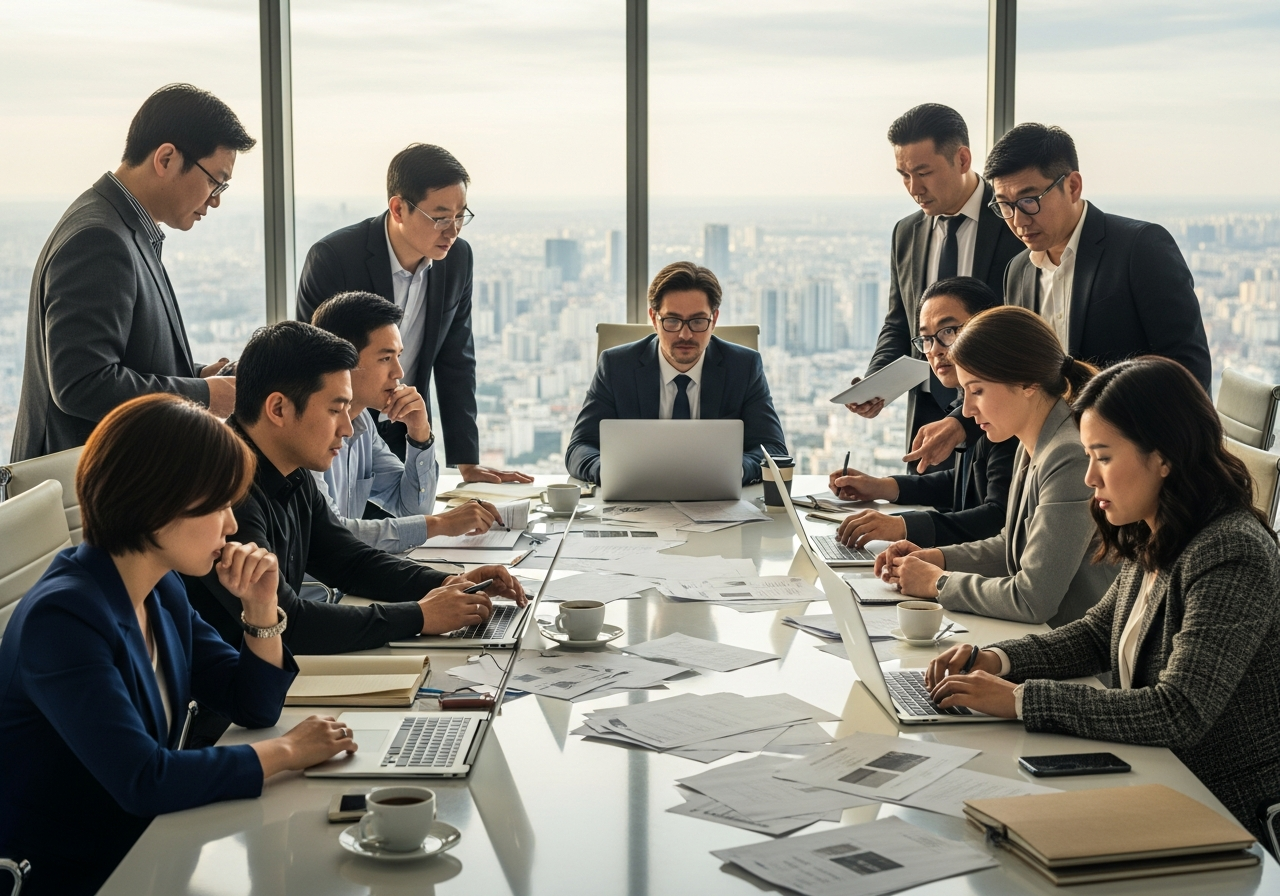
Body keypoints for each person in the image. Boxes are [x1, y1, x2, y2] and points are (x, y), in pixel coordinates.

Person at [0, 394, 358, 895]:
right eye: (218, 507)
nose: (232, 526)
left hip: (149, 849)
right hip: (79, 874)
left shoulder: (160, 586)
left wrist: (259, 608)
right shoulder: (63, 619)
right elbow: (144, 779)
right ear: (154, 506)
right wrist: (288, 751)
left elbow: (252, 704)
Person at [925, 357, 1280, 843]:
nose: (1090, 478)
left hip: (1219, 808)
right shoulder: (1157, 526)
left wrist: (1021, 700)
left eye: (1104, 457)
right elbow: (1096, 634)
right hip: (1152, 775)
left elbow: (1178, 711)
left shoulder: (1229, 550)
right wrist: (997, 659)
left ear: (1164, 456)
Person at [183, 321, 525, 656]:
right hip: (228, 699)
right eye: (335, 410)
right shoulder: (223, 489)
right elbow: (291, 624)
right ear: (278, 408)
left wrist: (443, 584)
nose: (347, 429)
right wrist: (420, 615)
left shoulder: (290, 472)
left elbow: (350, 561)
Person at [908, 122, 1212, 471]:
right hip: (1052, 461)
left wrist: (1152, 455)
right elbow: (1012, 374)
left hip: (1137, 459)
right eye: (1004, 205)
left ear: (1072, 186)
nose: (1018, 220)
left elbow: (1187, 368)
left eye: (1029, 201)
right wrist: (961, 422)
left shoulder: (1139, 248)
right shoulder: (1019, 270)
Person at [11, 84, 253, 462]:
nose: (216, 199)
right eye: (214, 181)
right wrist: (205, 397)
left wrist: (197, 375)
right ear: (167, 158)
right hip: (86, 495)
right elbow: (83, 383)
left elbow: (125, 356)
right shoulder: (99, 238)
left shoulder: (122, 225)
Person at [296, 142, 529, 484]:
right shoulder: (334, 258)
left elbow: (456, 360)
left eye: (460, 216)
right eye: (439, 218)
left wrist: (467, 462)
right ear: (398, 208)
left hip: (410, 430)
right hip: (339, 438)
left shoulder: (457, 260)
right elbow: (311, 363)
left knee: (415, 527)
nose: (452, 231)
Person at [877, 306, 1117, 625]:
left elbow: (1033, 599)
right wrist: (938, 558)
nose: (968, 409)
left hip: (1071, 659)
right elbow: (1010, 545)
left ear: (1027, 383)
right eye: (964, 393)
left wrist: (937, 582)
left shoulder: (1069, 455)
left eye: (977, 391)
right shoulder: (1034, 443)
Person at [852, 104, 1024, 469]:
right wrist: (876, 382)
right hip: (927, 410)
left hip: (997, 414)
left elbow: (1021, 331)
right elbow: (900, 321)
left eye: (923, 172)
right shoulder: (906, 232)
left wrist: (964, 416)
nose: (914, 188)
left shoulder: (1013, 223)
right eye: (903, 175)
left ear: (962, 159)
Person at [829, 277, 1014, 549]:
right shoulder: (966, 401)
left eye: (948, 331)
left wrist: (901, 526)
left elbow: (998, 518)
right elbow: (966, 484)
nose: (935, 349)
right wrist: (882, 487)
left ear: (987, 326)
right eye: (926, 339)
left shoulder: (1006, 406)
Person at [309, 291, 501, 552]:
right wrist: (440, 524)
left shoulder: (363, 423)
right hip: (319, 590)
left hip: (346, 583)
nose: (399, 372)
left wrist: (419, 433)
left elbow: (411, 507)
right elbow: (331, 537)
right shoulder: (306, 430)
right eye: (385, 358)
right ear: (344, 359)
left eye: (398, 357)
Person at [565, 261, 787, 486]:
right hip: (637, 500)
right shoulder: (616, 366)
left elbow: (773, 450)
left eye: (697, 321)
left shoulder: (744, 367)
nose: (685, 334)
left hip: (717, 502)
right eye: (672, 321)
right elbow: (580, 447)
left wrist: (734, 471)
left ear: (714, 319)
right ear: (654, 318)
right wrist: (612, 472)